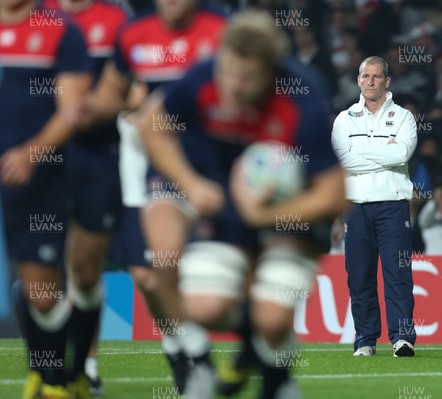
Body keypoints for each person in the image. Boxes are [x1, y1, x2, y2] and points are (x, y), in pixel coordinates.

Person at [137, 10, 346, 398]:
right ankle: (208, 356)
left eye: (246, 77)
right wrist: (192, 185)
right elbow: (151, 127)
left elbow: (334, 193)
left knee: (273, 317)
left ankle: (275, 376)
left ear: (271, 70)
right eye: (227, 72)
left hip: (285, 210)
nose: (232, 85)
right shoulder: (202, 79)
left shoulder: (303, 96)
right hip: (221, 198)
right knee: (204, 306)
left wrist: (266, 215)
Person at [82, 0, 226, 393]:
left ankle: (200, 350)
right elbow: (117, 99)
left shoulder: (215, 32)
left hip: (203, 171)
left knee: (179, 267)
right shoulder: (131, 44)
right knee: (148, 277)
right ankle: (177, 345)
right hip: (139, 183)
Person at [0, 0, 92, 397]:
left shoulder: (60, 30)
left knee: (41, 291)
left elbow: (72, 111)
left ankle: (56, 377)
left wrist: (30, 153)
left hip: (35, 177)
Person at [42, 0, 129, 395]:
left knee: (87, 269)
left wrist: (108, 106)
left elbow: (133, 85)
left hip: (97, 158)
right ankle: (49, 367)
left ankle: (87, 363)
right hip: (44, 155)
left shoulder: (116, 19)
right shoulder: (37, 15)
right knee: (45, 266)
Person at [331, 56, 418, 357]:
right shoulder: (344, 118)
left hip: (393, 205)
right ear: (358, 80)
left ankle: (402, 339)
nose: (370, 81)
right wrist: (384, 150)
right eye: (365, 76)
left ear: (387, 81)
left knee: (398, 273)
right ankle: (365, 340)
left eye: (376, 76)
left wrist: (359, 152)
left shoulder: (404, 117)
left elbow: (402, 154)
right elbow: (342, 160)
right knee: (359, 276)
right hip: (355, 207)